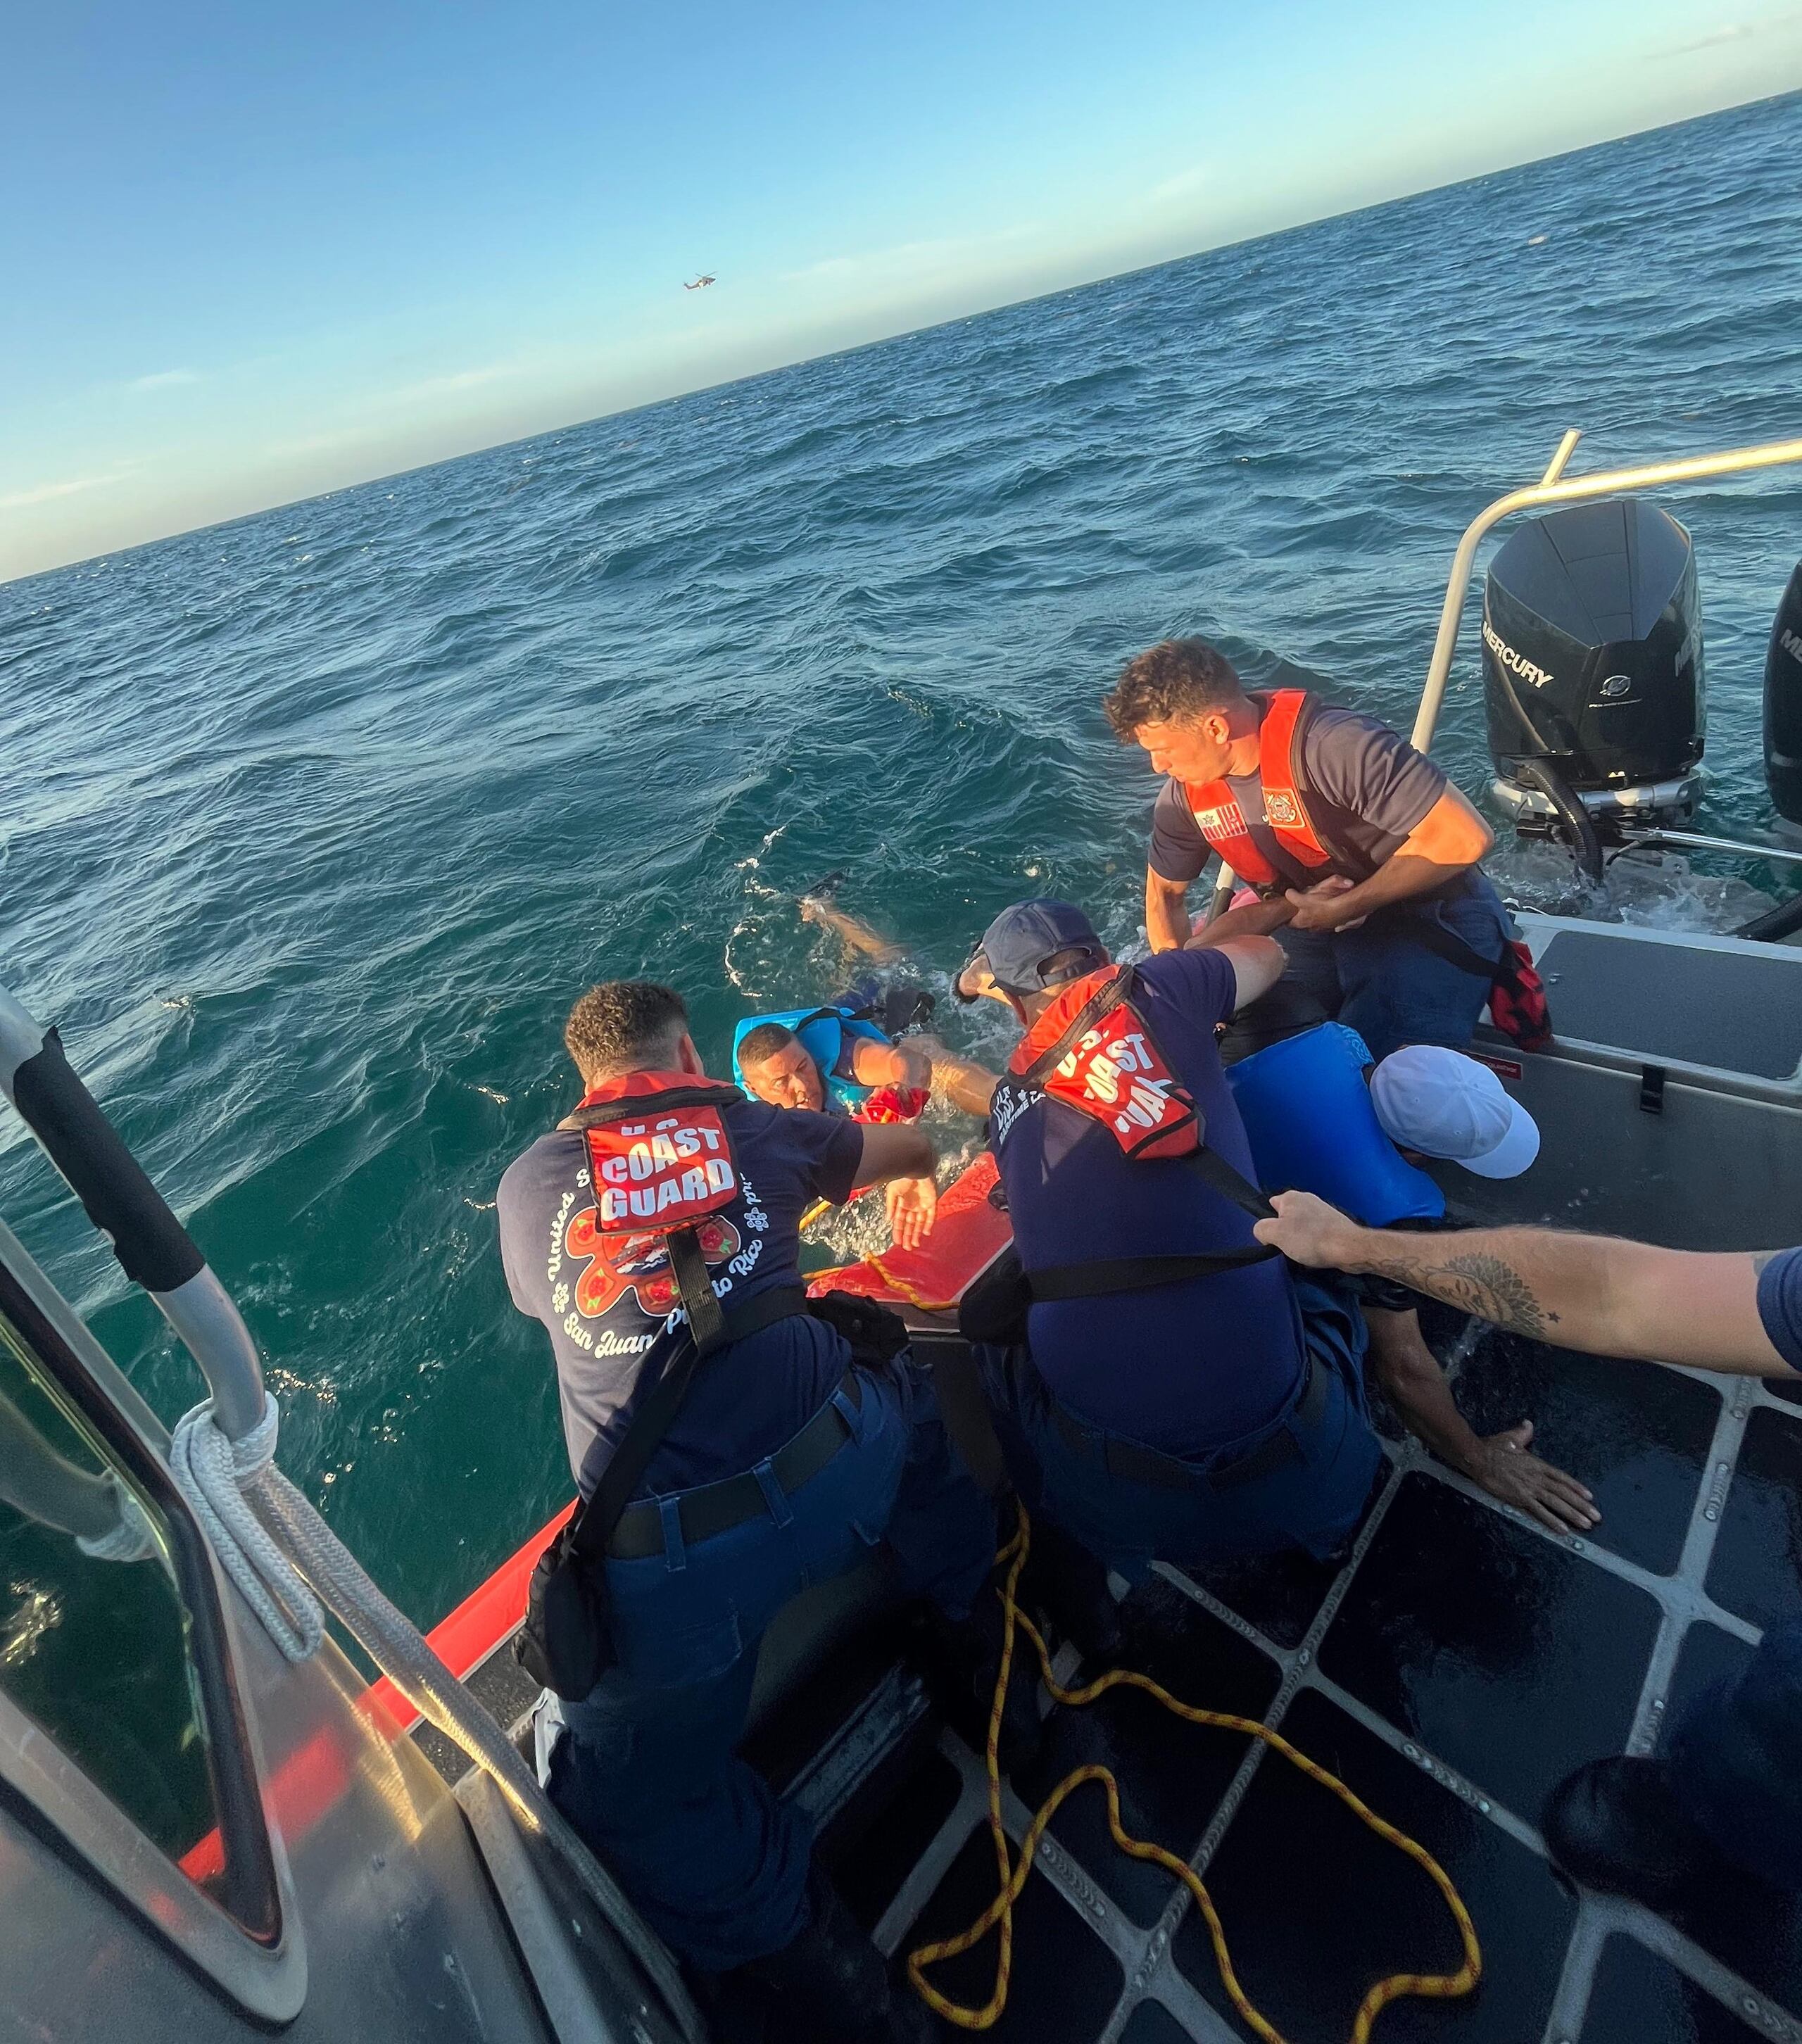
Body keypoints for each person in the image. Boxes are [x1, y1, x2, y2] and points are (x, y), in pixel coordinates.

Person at [496, 980, 997, 2040]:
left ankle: (835, 1978)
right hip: (840, 1467)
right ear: (690, 1055)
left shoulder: (528, 1182)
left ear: (583, 1084)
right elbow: (912, 1149)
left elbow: (565, 1306)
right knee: (908, 1401)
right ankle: (985, 1656)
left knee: (628, 1800)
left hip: (673, 1568)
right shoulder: (755, 1124)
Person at [1252, 1187, 1802, 1907]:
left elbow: (1615, 1296)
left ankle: (1717, 1808)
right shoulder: (1387, 1188)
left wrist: (1354, 1249)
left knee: (1773, 1735)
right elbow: (1615, 1296)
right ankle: (1718, 1803)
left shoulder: (1377, 1192)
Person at [956, 897, 1393, 1582]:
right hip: (1305, 1474)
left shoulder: (1006, 1106)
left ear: (1014, 1008)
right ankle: (1331, 1537)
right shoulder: (1160, 985)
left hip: (1122, 1503)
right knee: (1311, 1253)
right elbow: (1269, 955)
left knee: (993, 1343)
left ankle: (1067, 1546)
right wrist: (1186, 976)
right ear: (1106, 961)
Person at [1103, 637, 1531, 1063]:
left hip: (1430, 913)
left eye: (1162, 750)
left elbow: (1466, 837)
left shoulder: (1334, 746)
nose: (1157, 766)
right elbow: (1165, 896)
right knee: (1245, 1049)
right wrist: (1182, 997)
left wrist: (1348, 905)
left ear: (1215, 728)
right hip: (1309, 922)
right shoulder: (1184, 797)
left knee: (1387, 1067)